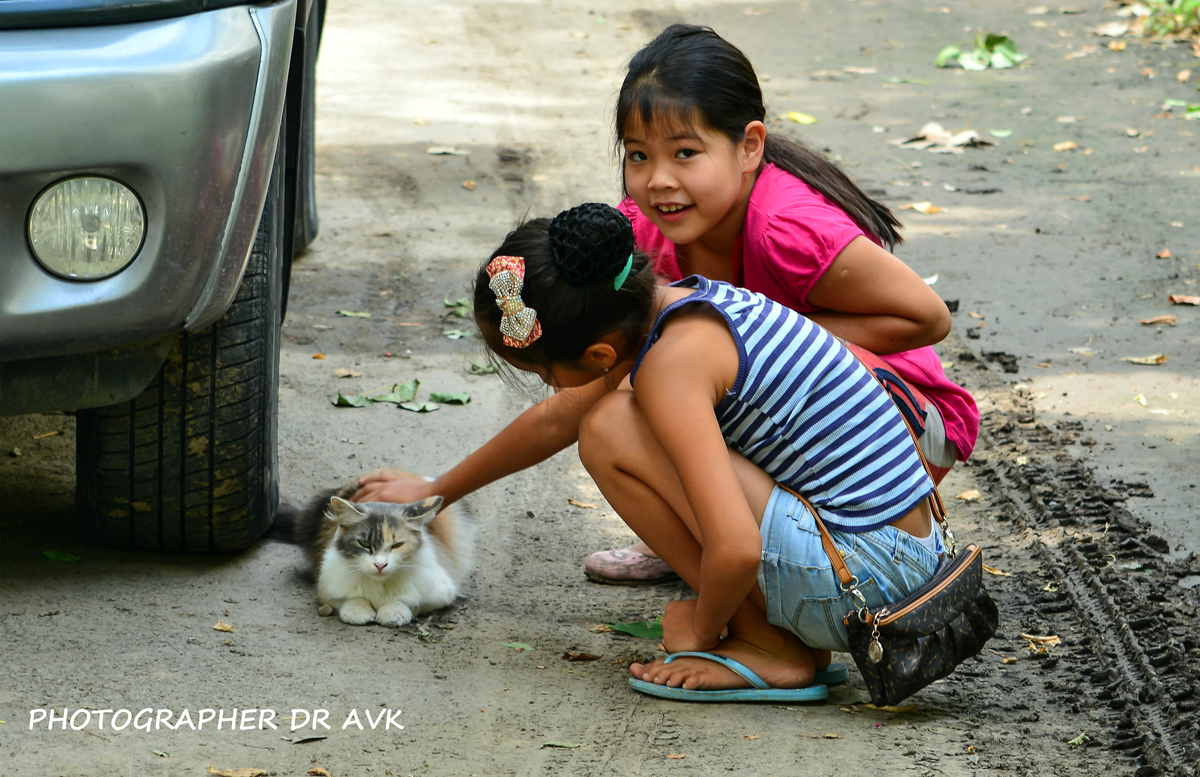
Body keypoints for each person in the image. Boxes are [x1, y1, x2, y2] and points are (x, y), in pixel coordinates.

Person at [386, 201, 942, 699]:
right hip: (900, 557)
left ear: (601, 355)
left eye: (543, 373)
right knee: (609, 418)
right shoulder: (687, 307)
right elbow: (555, 422)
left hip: (865, 586)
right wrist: (435, 493)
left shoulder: (671, 368)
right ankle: (773, 636)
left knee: (609, 429)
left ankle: (769, 648)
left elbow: (736, 547)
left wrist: (699, 627)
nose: (554, 389)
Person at [583, 23, 979, 584]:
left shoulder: (785, 227)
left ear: (748, 146)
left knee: (682, 368)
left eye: (686, 152)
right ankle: (708, 540)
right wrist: (443, 490)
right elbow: (578, 389)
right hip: (807, 407)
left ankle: (782, 569)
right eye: (639, 155)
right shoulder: (648, 229)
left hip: (907, 425)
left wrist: (770, 334)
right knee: (647, 376)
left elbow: (927, 318)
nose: (658, 180)